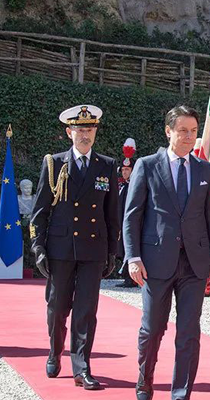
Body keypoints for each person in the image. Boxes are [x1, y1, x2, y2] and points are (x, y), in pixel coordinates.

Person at [123, 105, 210, 400]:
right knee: (153, 327)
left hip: (195, 263)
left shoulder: (204, 169)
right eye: (182, 131)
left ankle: (181, 392)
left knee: (189, 331)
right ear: (168, 131)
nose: (189, 137)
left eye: (193, 131)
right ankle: (145, 380)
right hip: (155, 262)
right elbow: (132, 216)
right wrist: (133, 257)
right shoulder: (147, 165)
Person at [30, 104, 119, 390]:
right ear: (69, 132)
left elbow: (112, 214)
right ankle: (55, 351)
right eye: (79, 130)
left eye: (89, 129)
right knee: (57, 308)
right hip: (61, 249)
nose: (85, 134)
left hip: (93, 249)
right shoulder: (55, 164)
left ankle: (82, 367)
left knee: (86, 311)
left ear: (95, 132)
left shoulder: (107, 165)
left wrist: (112, 251)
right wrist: (38, 247)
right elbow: (40, 211)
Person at [116, 138, 137, 288]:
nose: (124, 172)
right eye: (123, 170)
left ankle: (131, 279)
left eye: (127, 170)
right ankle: (126, 277)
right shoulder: (121, 185)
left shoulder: (135, 186)